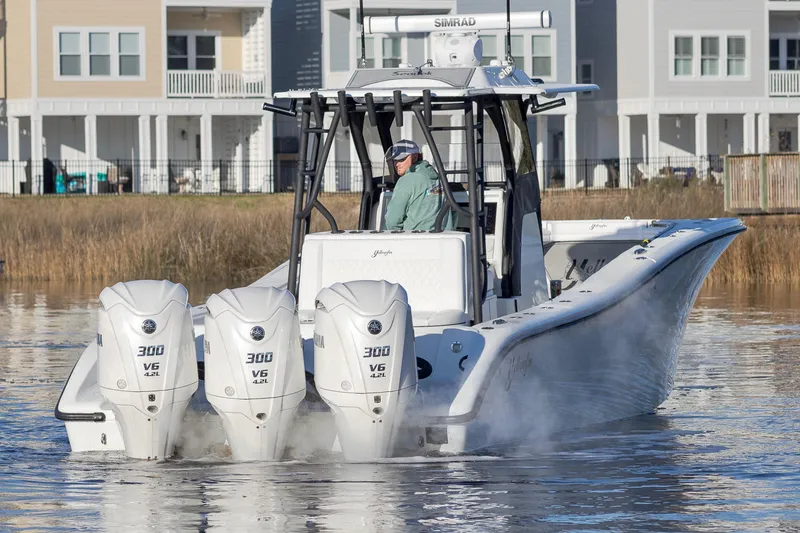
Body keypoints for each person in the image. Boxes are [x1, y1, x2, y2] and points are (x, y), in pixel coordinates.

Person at [383, 140, 457, 232]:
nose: (397, 164)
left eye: (401, 159)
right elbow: (454, 212)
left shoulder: (407, 180)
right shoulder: (439, 179)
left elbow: (393, 219)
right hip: (444, 239)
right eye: (395, 160)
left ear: (414, 157)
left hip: (415, 241)